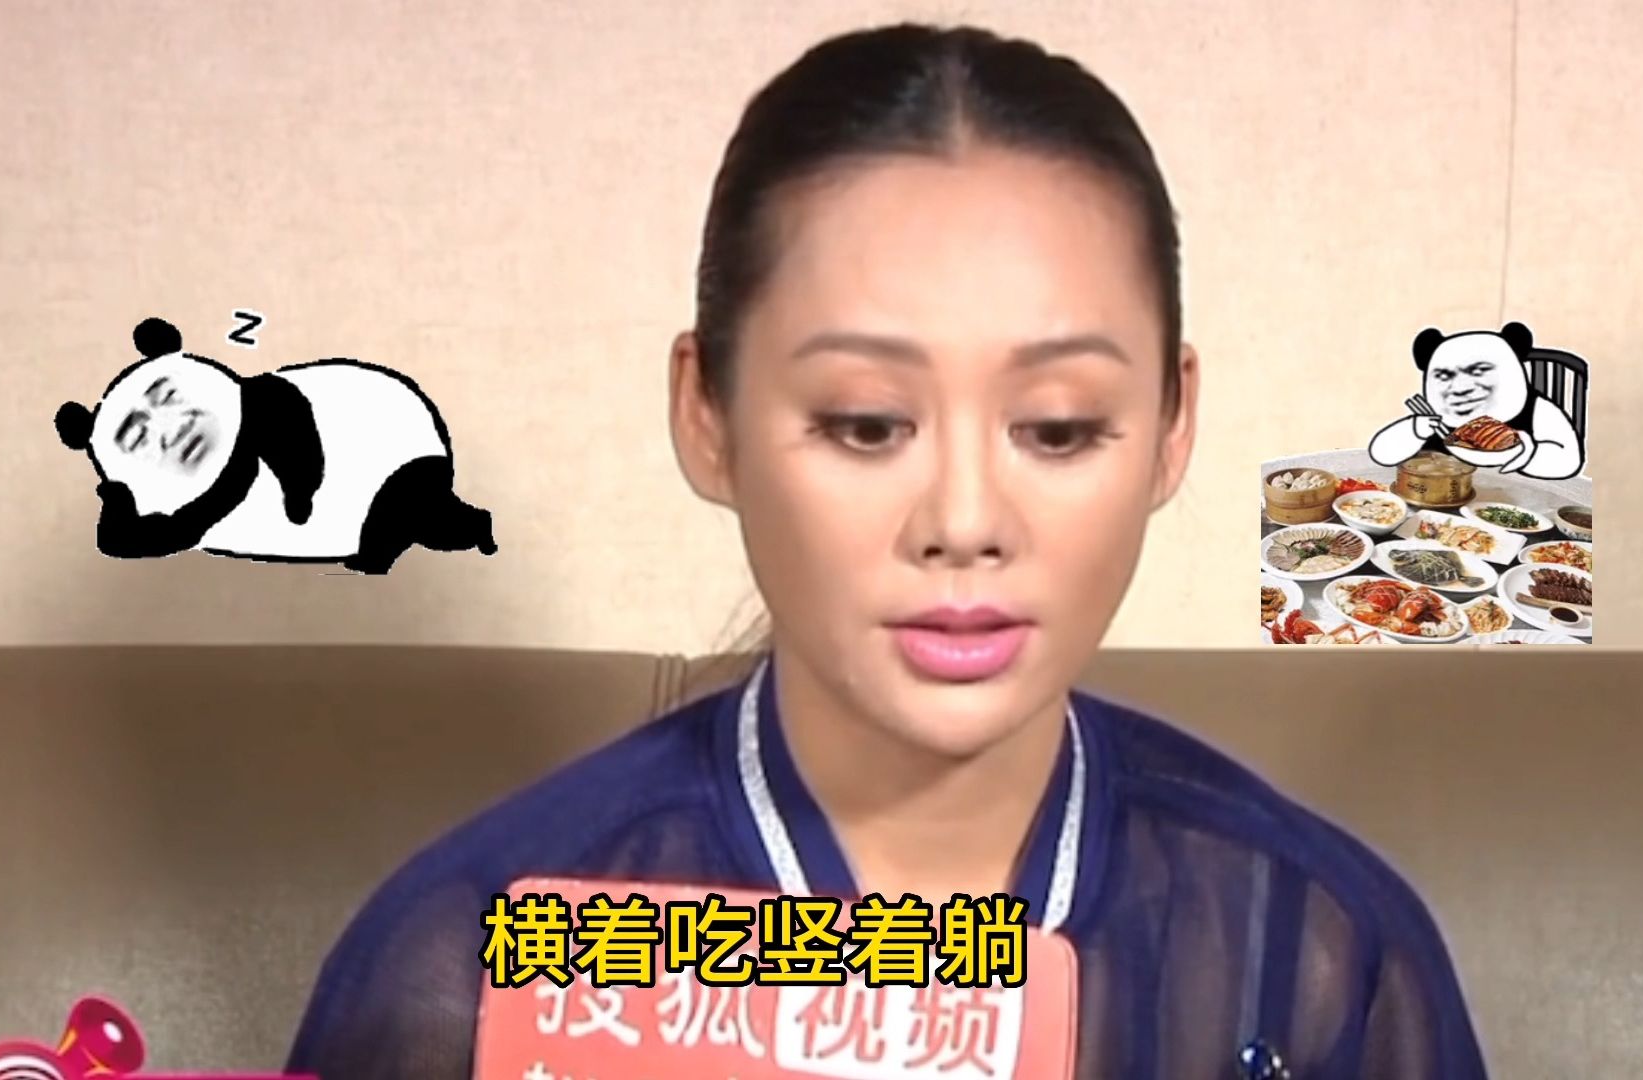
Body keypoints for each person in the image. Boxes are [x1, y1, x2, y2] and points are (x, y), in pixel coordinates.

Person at [285, 23, 1487, 1078]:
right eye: (866, 424)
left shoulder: (1320, 948)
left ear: (1173, 426)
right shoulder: (470, 962)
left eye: (1058, 428)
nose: (963, 520)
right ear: (707, 415)